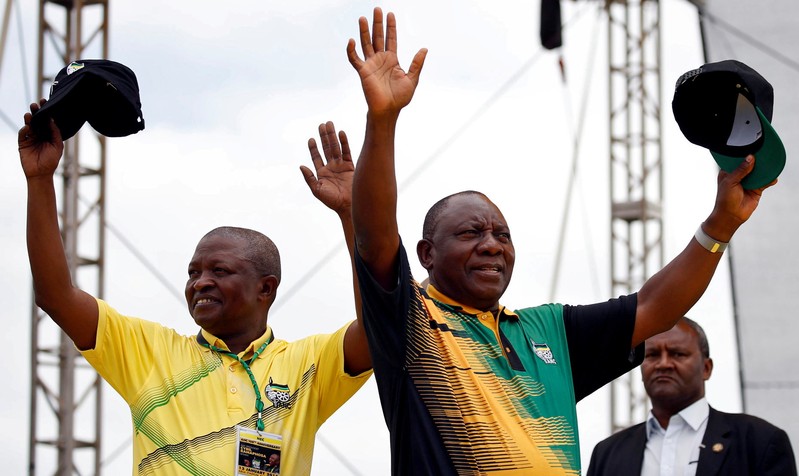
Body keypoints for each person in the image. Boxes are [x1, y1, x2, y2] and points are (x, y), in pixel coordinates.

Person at [345, 7, 777, 475]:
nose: (493, 245)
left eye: (503, 235)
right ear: (426, 254)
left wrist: (721, 224)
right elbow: (374, 236)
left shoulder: (549, 332)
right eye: (471, 233)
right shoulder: (409, 323)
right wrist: (382, 119)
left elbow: (655, 308)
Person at [19, 104, 371, 475]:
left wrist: (351, 215)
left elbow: (378, 328)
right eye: (193, 272)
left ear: (265, 289)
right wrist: (40, 181)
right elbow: (56, 296)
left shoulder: (308, 365)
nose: (200, 282)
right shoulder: (148, 351)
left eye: (219, 271)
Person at [586, 317, 797, 476]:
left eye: (678, 354)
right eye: (652, 355)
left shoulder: (759, 441)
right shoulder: (608, 453)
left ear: (706, 368)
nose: (663, 364)